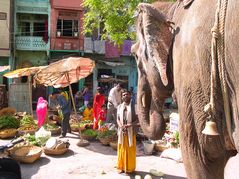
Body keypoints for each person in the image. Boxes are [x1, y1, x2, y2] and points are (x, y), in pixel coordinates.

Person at [116, 90, 139, 174]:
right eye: (124, 95)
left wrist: (129, 125)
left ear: (130, 96)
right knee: (121, 149)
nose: (125, 96)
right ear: (122, 97)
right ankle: (121, 167)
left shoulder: (135, 106)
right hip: (122, 131)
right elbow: (117, 119)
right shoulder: (119, 107)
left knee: (130, 150)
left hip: (131, 131)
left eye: (127, 94)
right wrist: (121, 126)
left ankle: (129, 168)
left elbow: (138, 120)